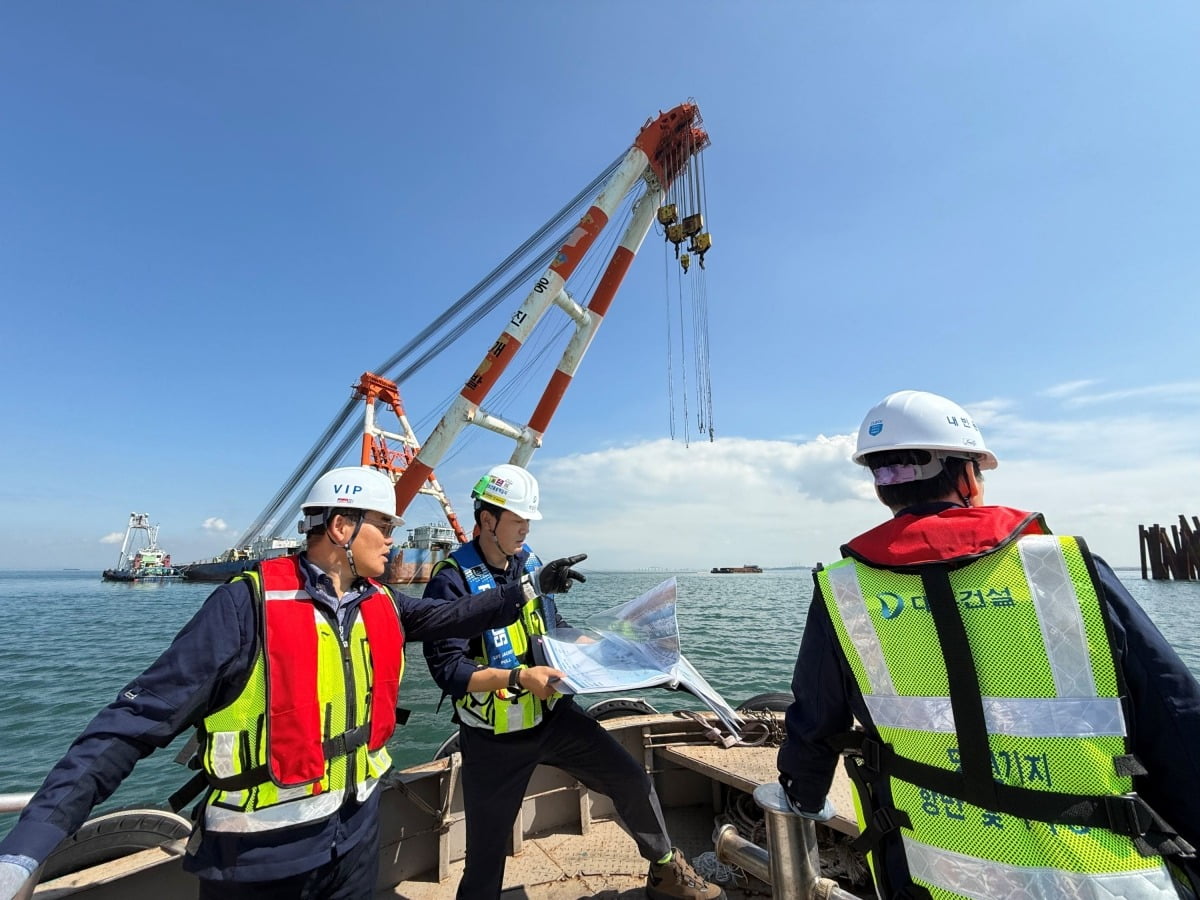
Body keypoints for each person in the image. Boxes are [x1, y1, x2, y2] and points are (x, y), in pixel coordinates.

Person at [0, 465, 589, 900]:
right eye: (383, 525)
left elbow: (453, 616)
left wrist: (534, 587)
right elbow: (129, 725)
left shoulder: (378, 602)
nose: (392, 538)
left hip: (355, 839)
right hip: (259, 862)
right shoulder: (244, 609)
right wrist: (27, 851)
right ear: (340, 526)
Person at [777, 390, 1200, 900]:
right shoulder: (1058, 566)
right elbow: (1175, 714)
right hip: (1101, 877)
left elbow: (815, 720)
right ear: (968, 475)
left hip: (931, 873)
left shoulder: (845, 589)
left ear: (881, 485)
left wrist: (803, 793)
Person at [422, 463, 725, 900]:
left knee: (631, 780)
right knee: (486, 854)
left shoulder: (530, 565)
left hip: (554, 717)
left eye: (529, 520)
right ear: (487, 520)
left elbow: (554, 625)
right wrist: (520, 676)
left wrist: (620, 650)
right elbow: (448, 671)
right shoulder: (450, 580)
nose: (525, 529)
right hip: (493, 740)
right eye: (517, 520)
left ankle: (666, 874)